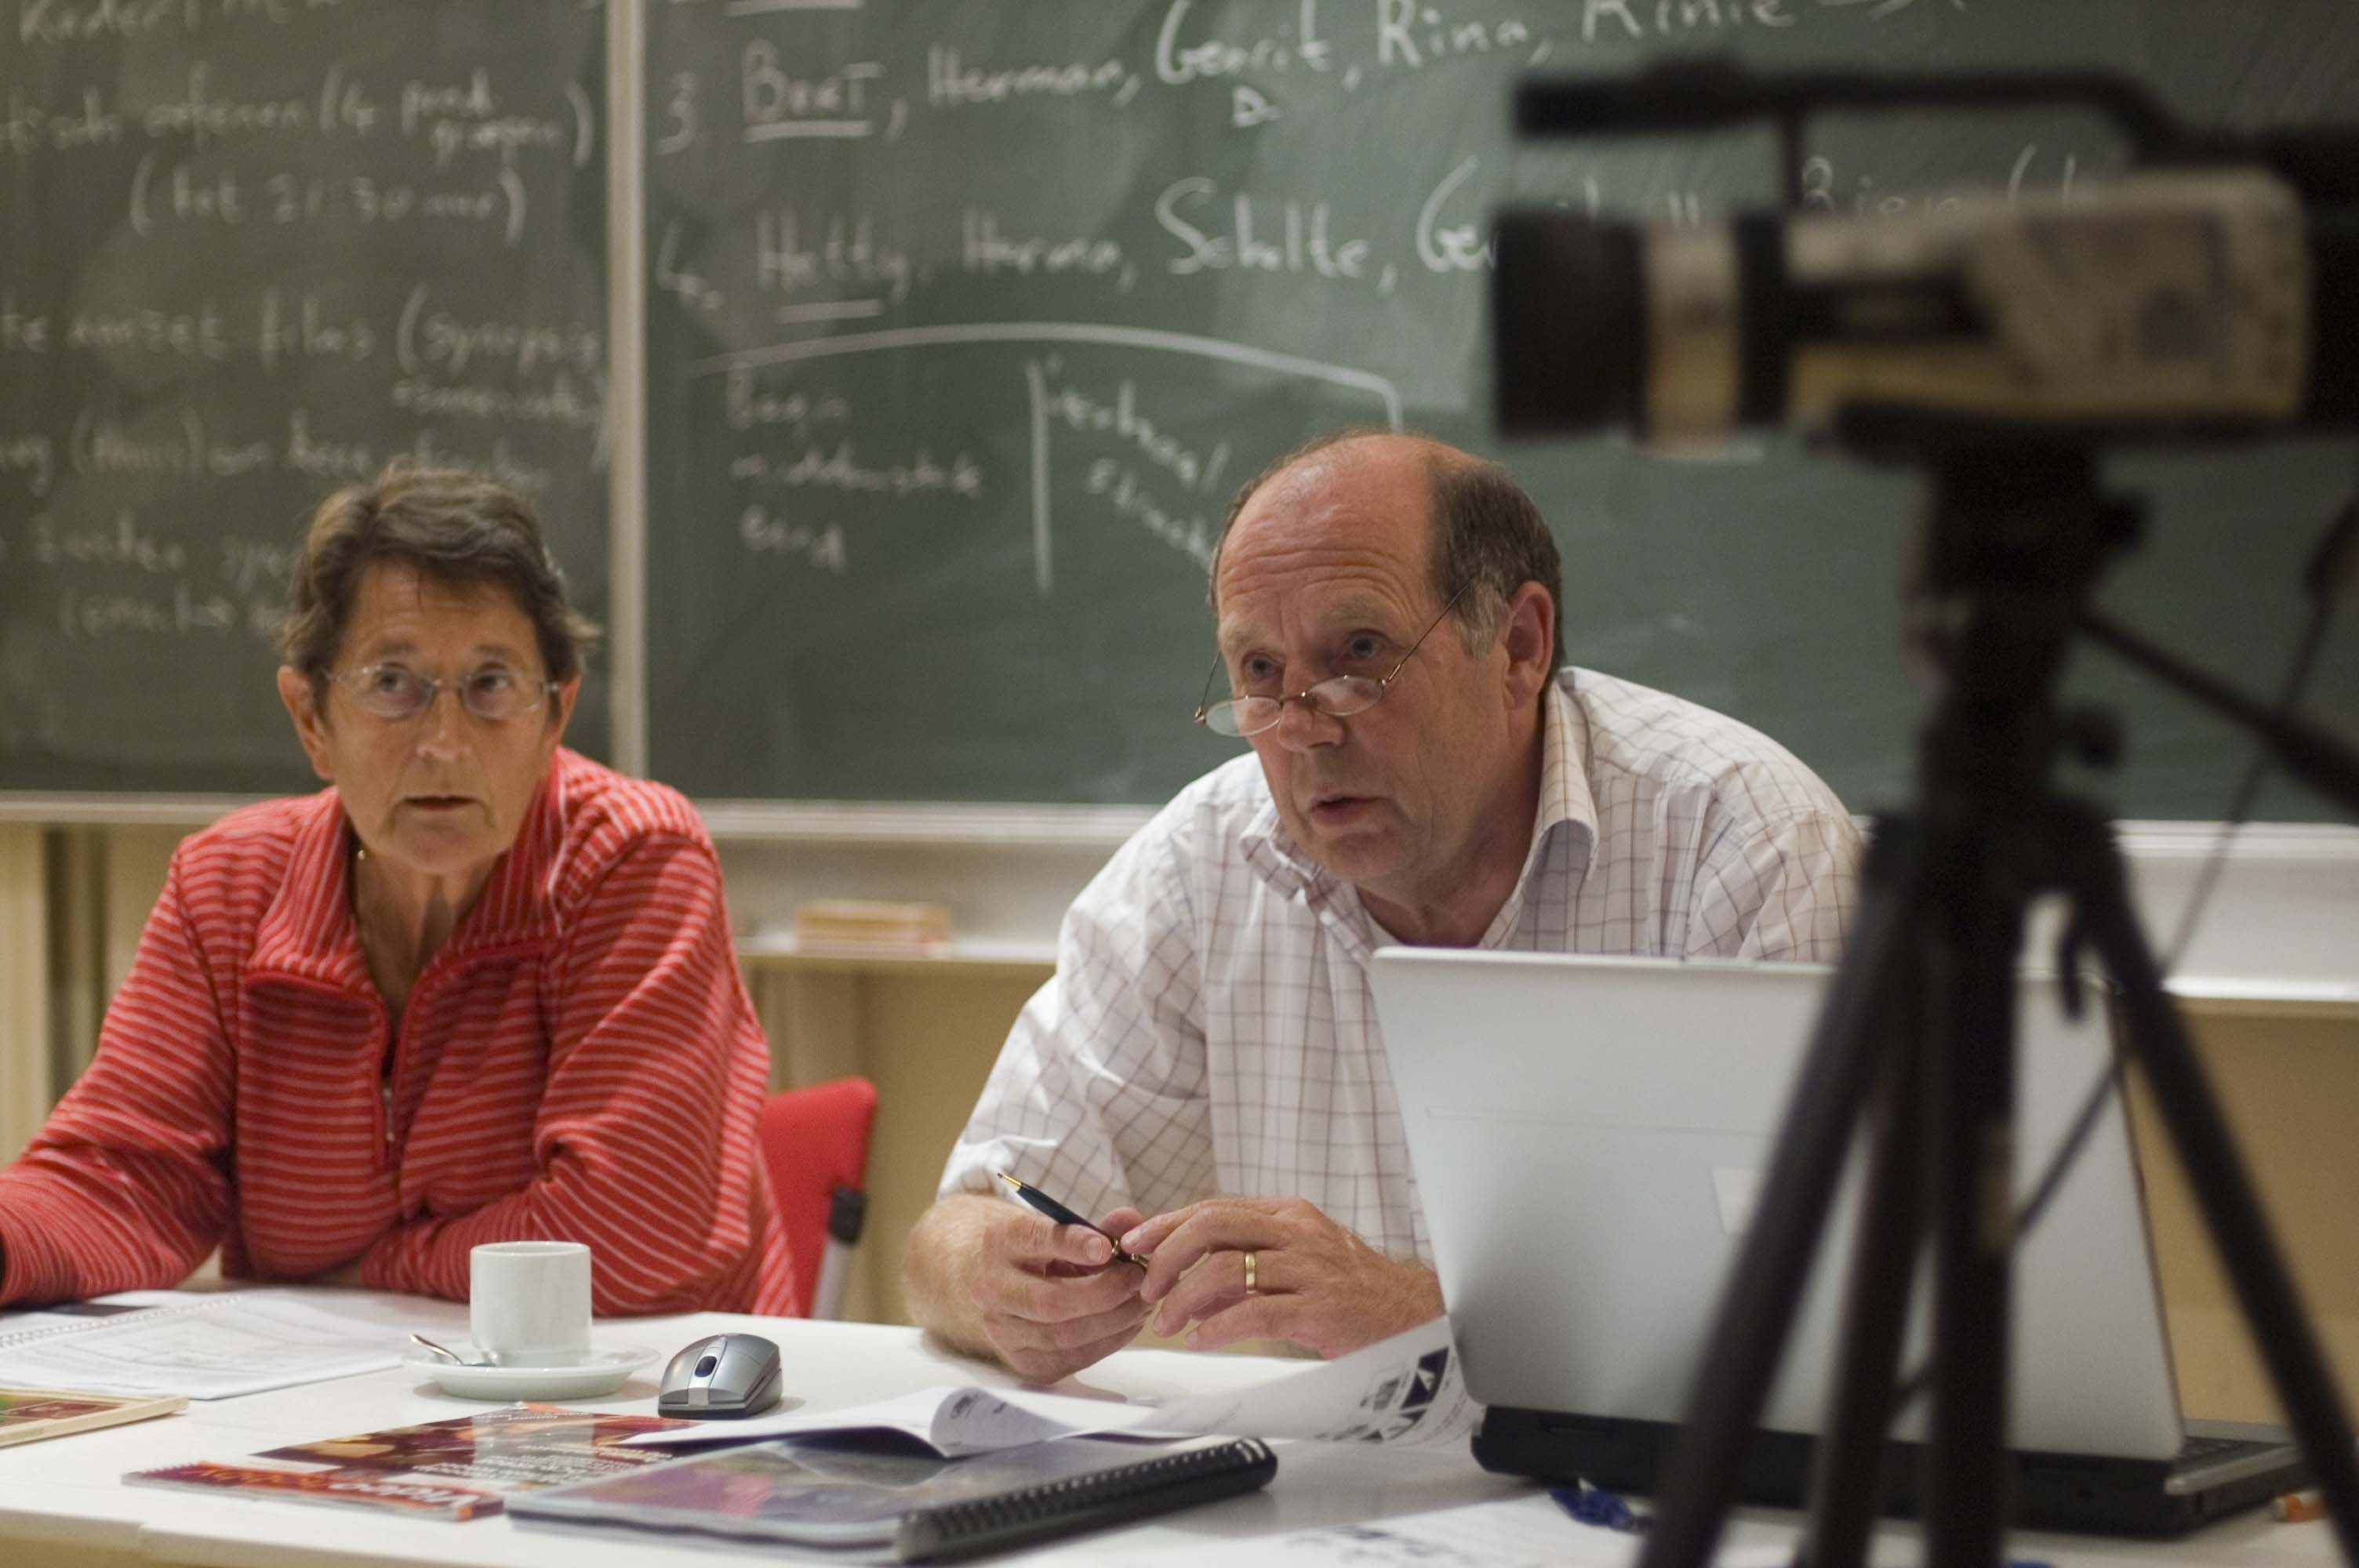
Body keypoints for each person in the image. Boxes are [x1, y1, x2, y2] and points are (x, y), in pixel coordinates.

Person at [903, 431, 1862, 1383]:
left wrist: (1412, 1315)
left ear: (1517, 648)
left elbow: (1831, 1314)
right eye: (1259, 673)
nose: (1303, 729)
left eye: (1357, 654)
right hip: (1319, 1479)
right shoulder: (1199, 866)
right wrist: (1002, 1283)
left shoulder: (1740, 844)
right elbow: (952, 1234)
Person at [0, 466, 796, 1317]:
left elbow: (629, 1235)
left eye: (491, 684)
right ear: (311, 719)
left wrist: (372, 1269)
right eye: (392, 683)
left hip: (660, 1386)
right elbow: (122, 1178)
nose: (444, 743)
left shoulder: (630, 859)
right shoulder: (229, 889)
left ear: (555, 716)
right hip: (339, 1389)